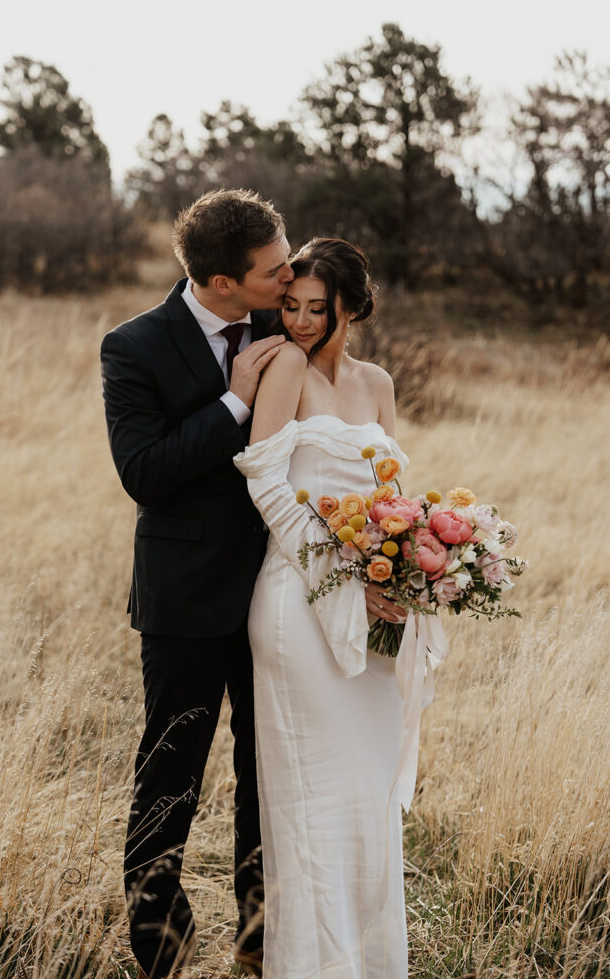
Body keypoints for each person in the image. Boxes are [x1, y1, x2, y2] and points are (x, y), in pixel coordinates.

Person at [100, 188, 293, 978]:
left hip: (281, 595)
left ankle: (261, 937)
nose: (290, 277)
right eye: (274, 269)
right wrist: (232, 401)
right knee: (170, 771)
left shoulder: (290, 324)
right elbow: (143, 473)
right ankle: (161, 949)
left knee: (268, 771)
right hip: (184, 599)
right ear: (221, 281)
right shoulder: (134, 345)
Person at [234, 238, 415, 978]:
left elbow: (395, 495)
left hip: (372, 603)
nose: (301, 321)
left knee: (365, 796)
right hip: (297, 605)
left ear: (351, 307)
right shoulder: (284, 367)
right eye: (290, 305)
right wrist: (341, 576)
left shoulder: (376, 383)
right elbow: (267, 484)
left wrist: (407, 567)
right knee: (315, 797)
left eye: (318, 308)